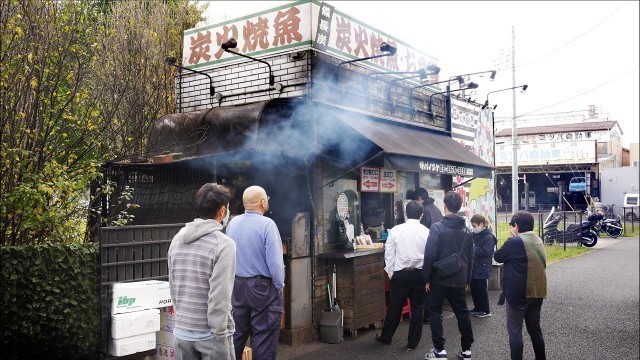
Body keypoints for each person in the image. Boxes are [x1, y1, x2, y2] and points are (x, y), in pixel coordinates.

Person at [168, 183, 236, 360]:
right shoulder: (224, 244)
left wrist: (181, 320)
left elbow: (174, 285)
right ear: (222, 211)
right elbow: (220, 295)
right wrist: (220, 334)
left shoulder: (177, 239)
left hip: (182, 331)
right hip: (211, 337)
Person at [225, 186, 284, 360]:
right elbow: (275, 263)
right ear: (262, 202)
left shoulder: (232, 223)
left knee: (237, 336)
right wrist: (279, 286)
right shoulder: (268, 225)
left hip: (237, 286)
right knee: (264, 338)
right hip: (263, 289)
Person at [422, 191, 474, 359]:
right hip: (459, 279)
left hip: (439, 278)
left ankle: (439, 350)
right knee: (462, 313)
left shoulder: (437, 227)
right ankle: (466, 350)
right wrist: (467, 280)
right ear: (459, 207)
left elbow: (430, 255)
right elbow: (471, 257)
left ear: (444, 206)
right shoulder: (467, 230)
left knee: (435, 311)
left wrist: (427, 278)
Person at [375, 201, 429, 351]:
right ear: (421, 215)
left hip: (400, 275)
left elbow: (389, 254)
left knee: (394, 307)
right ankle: (412, 343)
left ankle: (386, 337)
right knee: (418, 309)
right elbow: (430, 255)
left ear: (406, 213)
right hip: (420, 274)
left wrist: (391, 273)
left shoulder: (396, 230)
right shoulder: (426, 231)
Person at [494, 211, 547, 360]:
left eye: (512, 226)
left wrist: (512, 237)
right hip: (538, 292)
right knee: (535, 330)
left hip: (519, 294)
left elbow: (498, 256)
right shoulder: (538, 240)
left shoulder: (514, 242)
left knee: (515, 331)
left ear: (516, 226)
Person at [411, 187, 443, 325]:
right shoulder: (436, 208)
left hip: (429, 252)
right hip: (439, 252)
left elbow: (421, 234)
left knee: (427, 285)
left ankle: (428, 316)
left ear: (420, 199)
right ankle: (434, 314)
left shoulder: (424, 211)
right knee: (434, 286)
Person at [469, 214, 497, 318]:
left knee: (481, 289)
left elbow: (486, 251)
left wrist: (472, 248)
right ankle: (477, 307)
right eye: (472, 226)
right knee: (475, 288)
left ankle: (485, 310)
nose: (473, 228)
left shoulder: (488, 237)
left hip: (482, 266)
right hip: (474, 266)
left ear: (481, 224)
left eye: (475, 225)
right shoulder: (474, 234)